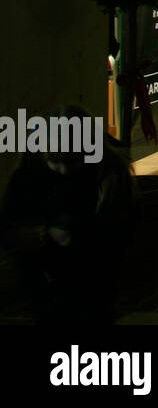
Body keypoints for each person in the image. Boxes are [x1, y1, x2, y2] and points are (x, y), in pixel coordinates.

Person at [1, 106, 136, 325]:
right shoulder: (30, 169)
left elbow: (118, 232)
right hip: (45, 280)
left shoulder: (110, 173)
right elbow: (11, 218)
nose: (64, 170)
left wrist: (76, 234)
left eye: (72, 162)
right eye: (56, 162)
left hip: (94, 279)